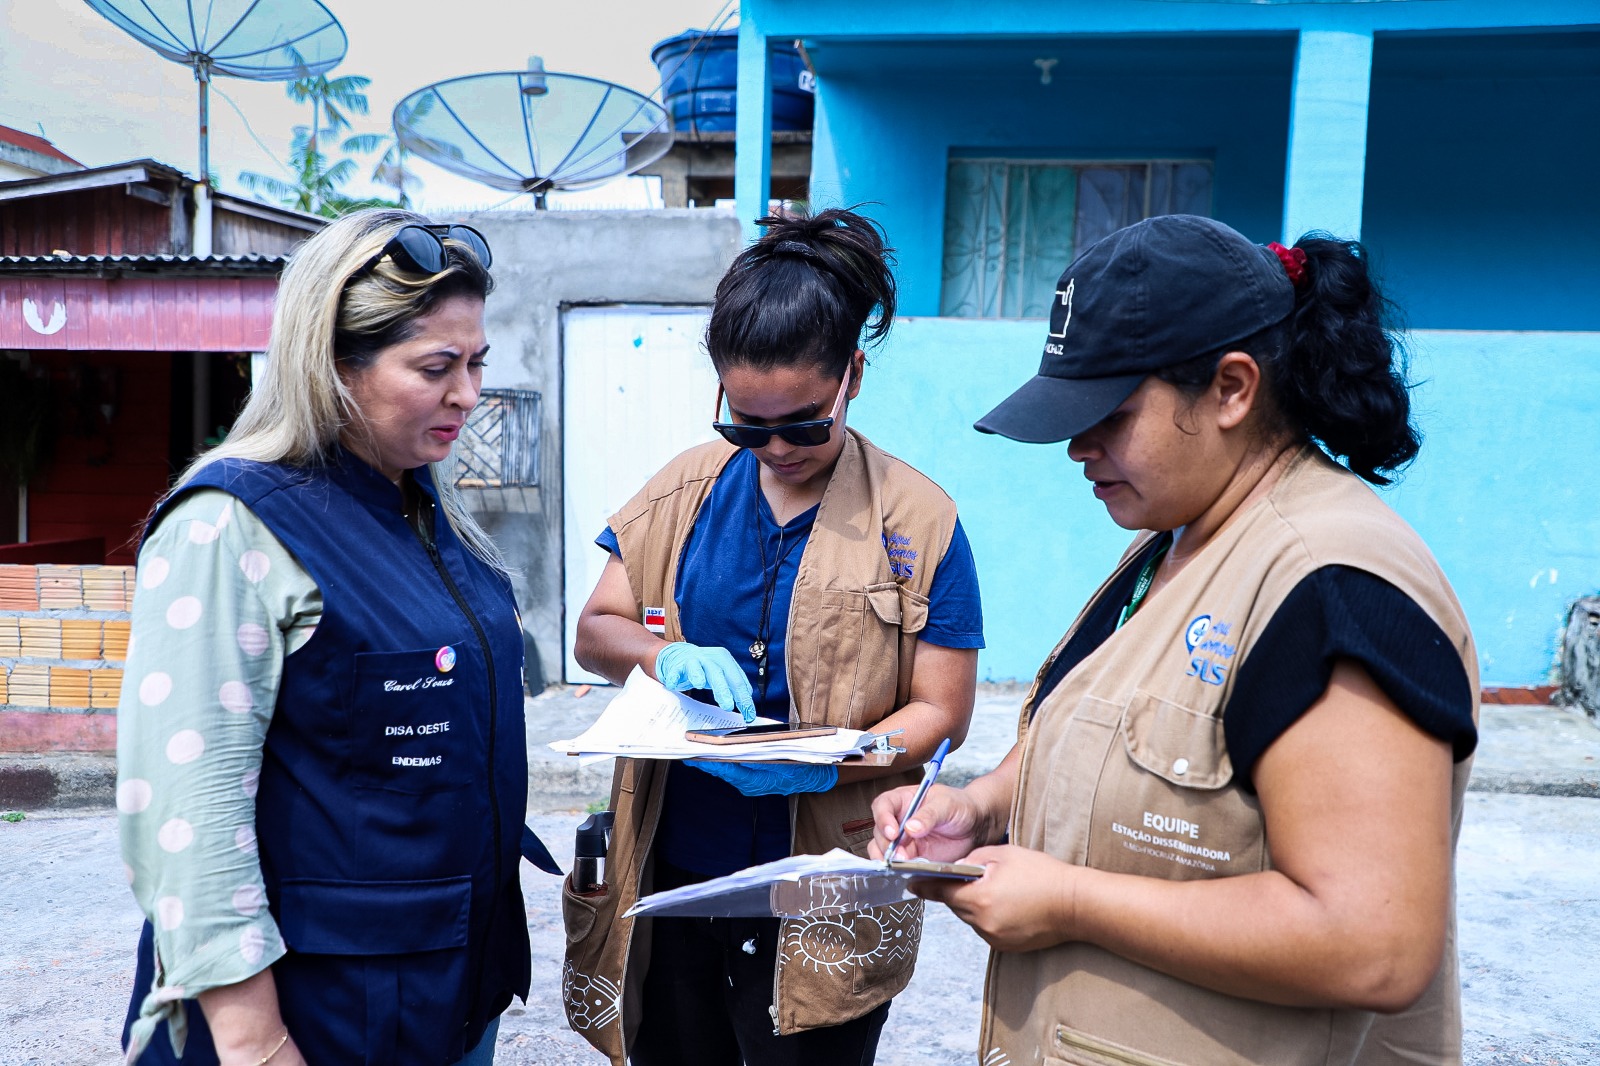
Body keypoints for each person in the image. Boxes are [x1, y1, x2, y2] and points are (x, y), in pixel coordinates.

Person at [871, 214, 1480, 1066]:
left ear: (1232, 389)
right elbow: (1117, 732)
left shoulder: (1331, 585)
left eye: (1110, 415)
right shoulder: (1180, 539)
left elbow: (1371, 941)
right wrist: (973, 811)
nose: (1079, 447)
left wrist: (1074, 902)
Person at [117, 209, 557, 1066]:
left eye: (475, 364)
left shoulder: (424, 514)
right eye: (436, 367)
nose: (467, 394)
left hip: (442, 994)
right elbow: (188, 819)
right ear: (333, 367)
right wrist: (252, 1042)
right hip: (316, 1020)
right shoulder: (234, 525)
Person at [564, 208, 984, 1066]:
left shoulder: (921, 519)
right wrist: (660, 654)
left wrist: (839, 755)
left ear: (852, 378)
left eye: (801, 423)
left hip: (822, 883)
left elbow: (944, 710)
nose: (775, 448)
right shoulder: (681, 490)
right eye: (746, 427)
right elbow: (596, 631)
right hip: (674, 871)